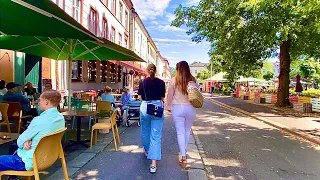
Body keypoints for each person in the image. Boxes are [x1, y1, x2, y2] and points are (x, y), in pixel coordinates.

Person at [0, 90, 65, 180]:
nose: (38, 102)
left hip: (28, 161)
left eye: (40, 100)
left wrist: (26, 140)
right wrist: (28, 140)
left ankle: (13, 176)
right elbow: (43, 135)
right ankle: (12, 178)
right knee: (12, 147)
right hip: (48, 158)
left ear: (46, 102)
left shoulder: (39, 120)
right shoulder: (60, 118)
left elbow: (20, 141)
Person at [166, 61, 197, 169]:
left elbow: (169, 95)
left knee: (180, 132)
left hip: (177, 108)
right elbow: (196, 94)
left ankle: (183, 156)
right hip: (190, 108)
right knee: (187, 130)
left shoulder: (174, 80)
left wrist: (168, 107)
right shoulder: (192, 80)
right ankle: (183, 151)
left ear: (178, 69)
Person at [138, 64, 166, 173]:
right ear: (156, 70)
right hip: (156, 107)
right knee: (156, 135)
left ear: (147, 70)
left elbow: (140, 97)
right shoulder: (161, 82)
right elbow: (162, 97)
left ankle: (147, 150)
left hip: (145, 107)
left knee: (145, 131)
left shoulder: (142, 82)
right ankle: (153, 164)